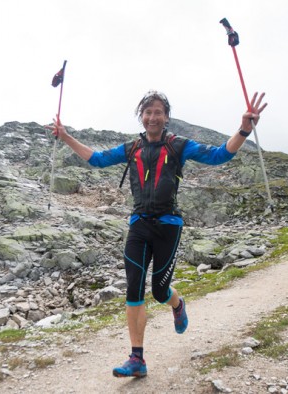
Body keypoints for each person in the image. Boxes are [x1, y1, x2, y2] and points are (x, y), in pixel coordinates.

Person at [47, 90, 267, 378]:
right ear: (142, 116)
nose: (152, 117)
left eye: (158, 112)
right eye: (147, 112)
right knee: (134, 288)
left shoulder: (179, 146)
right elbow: (97, 160)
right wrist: (65, 136)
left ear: (166, 117)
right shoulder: (132, 148)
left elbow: (219, 155)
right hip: (139, 224)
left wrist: (244, 129)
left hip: (168, 226)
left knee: (160, 290)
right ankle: (136, 358)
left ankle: (177, 303)